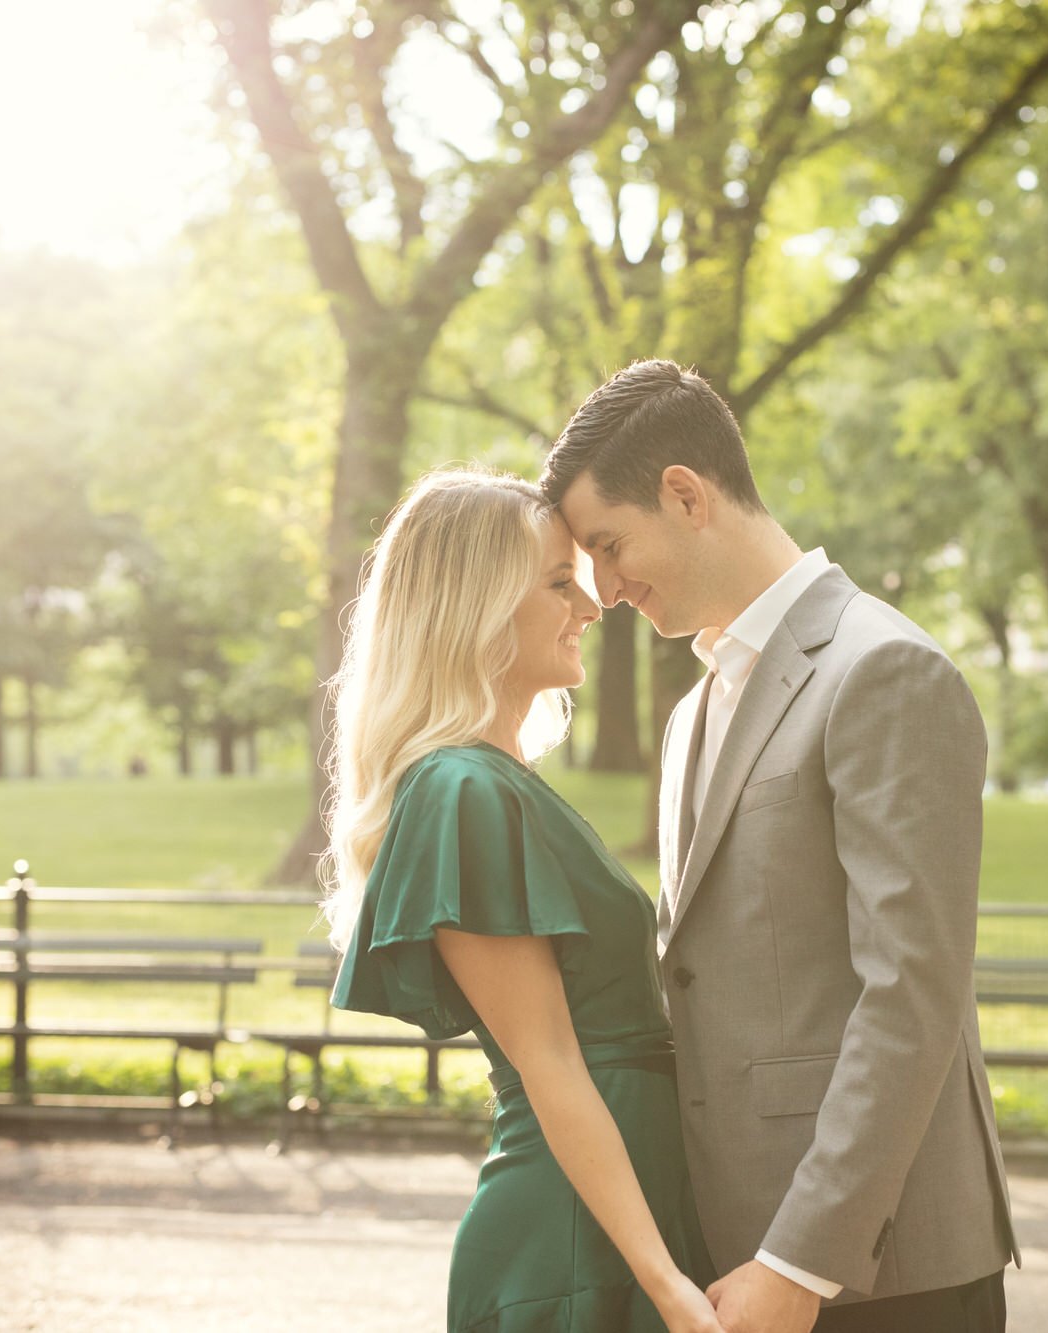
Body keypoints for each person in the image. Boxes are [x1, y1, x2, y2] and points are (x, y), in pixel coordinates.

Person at [543, 360, 1020, 1333]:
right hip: (733, 1256)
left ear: (684, 494)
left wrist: (800, 1261)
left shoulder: (881, 669)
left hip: (881, 1273)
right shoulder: (690, 715)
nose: (603, 584)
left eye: (607, 542)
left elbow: (911, 990)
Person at [326, 467, 720, 1333]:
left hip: (622, 1217)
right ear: (475, 605)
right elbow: (549, 1063)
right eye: (556, 583)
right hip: (576, 1240)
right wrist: (664, 1282)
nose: (590, 605)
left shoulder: (500, 781)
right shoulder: (459, 789)